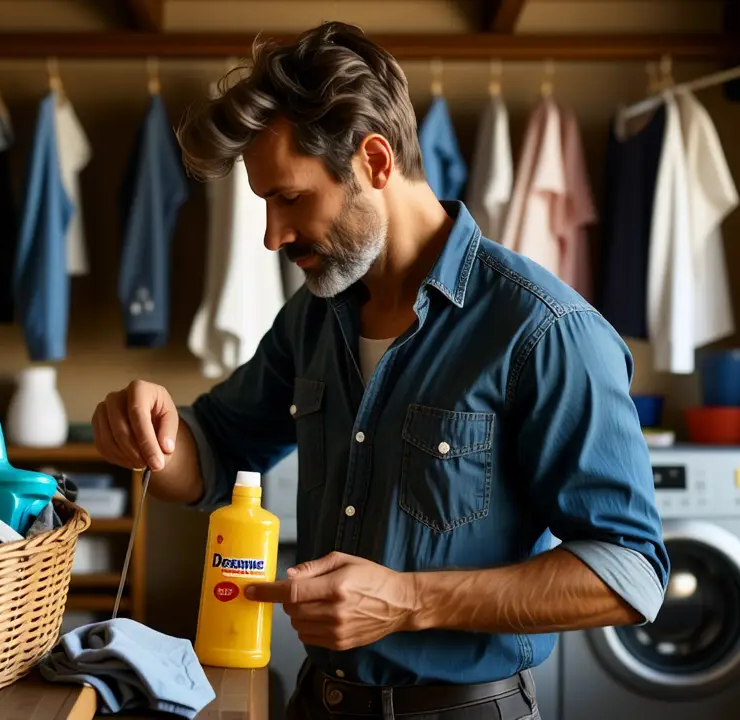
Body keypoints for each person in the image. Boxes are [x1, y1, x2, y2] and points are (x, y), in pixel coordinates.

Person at [91, 21, 668, 720]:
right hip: (317, 702)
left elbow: (630, 574)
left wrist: (408, 601)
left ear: (374, 161)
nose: (272, 237)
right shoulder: (313, 315)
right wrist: (149, 429)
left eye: (290, 198)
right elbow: (213, 454)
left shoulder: (545, 331)